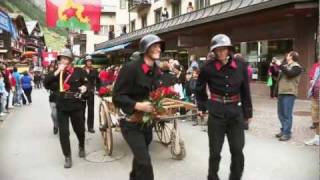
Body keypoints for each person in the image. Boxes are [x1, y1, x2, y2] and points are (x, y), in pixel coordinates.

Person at [195, 34, 252, 180]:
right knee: (215, 151)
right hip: (216, 113)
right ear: (213, 51)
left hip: (235, 113)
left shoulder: (240, 66)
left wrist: (247, 113)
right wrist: (202, 106)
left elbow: (245, 90)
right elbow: (199, 87)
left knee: (237, 149)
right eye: (217, 50)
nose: (220, 53)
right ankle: (212, 176)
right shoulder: (207, 68)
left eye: (223, 49)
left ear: (228, 49)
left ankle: (236, 176)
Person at [112, 34, 164, 180]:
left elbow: (155, 94)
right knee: (145, 163)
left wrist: (157, 109)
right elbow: (117, 97)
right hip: (130, 124)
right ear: (146, 49)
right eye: (154, 46)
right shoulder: (130, 69)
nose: (158, 49)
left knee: (140, 161)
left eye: (159, 46)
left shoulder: (156, 71)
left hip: (147, 124)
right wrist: (138, 105)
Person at [44, 48, 89, 168]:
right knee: (64, 133)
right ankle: (67, 156)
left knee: (79, 129)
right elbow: (46, 83)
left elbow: (87, 83)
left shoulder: (79, 71)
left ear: (70, 60)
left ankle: (81, 145)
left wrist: (85, 87)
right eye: (61, 59)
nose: (62, 60)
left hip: (76, 105)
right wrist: (58, 71)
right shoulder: (57, 73)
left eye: (65, 58)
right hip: (62, 106)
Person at [275, 51, 302, 141]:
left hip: (289, 93)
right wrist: (274, 65)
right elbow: (278, 76)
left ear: (292, 57)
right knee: (281, 113)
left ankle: (287, 133)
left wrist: (281, 65)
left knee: (287, 114)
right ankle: (283, 130)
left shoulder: (297, 67)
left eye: (289, 55)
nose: (287, 56)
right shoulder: (286, 66)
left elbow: (290, 74)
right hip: (282, 92)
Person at [83, 55, 99, 133]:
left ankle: (90, 127)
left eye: (90, 61)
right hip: (82, 92)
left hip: (91, 92)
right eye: (87, 61)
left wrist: (99, 90)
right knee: (81, 110)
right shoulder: (81, 70)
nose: (89, 62)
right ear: (85, 62)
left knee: (91, 110)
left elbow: (98, 81)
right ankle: (82, 126)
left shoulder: (95, 70)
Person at [305, 63, 320, 146]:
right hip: (315, 94)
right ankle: (317, 138)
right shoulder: (317, 67)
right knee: (316, 118)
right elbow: (313, 77)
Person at [45, 62, 59, 135]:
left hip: (61, 97)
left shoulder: (59, 75)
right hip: (53, 97)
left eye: (54, 67)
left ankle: (61, 126)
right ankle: (55, 125)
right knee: (54, 114)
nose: (52, 68)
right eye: (51, 67)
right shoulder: (48, 77)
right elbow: (46, 85)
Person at [308, 57, 320, 129]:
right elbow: (311, 74)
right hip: (315, 90)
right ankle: (315, 122)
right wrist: (312, 79)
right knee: (314, 107)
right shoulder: (316, 65)